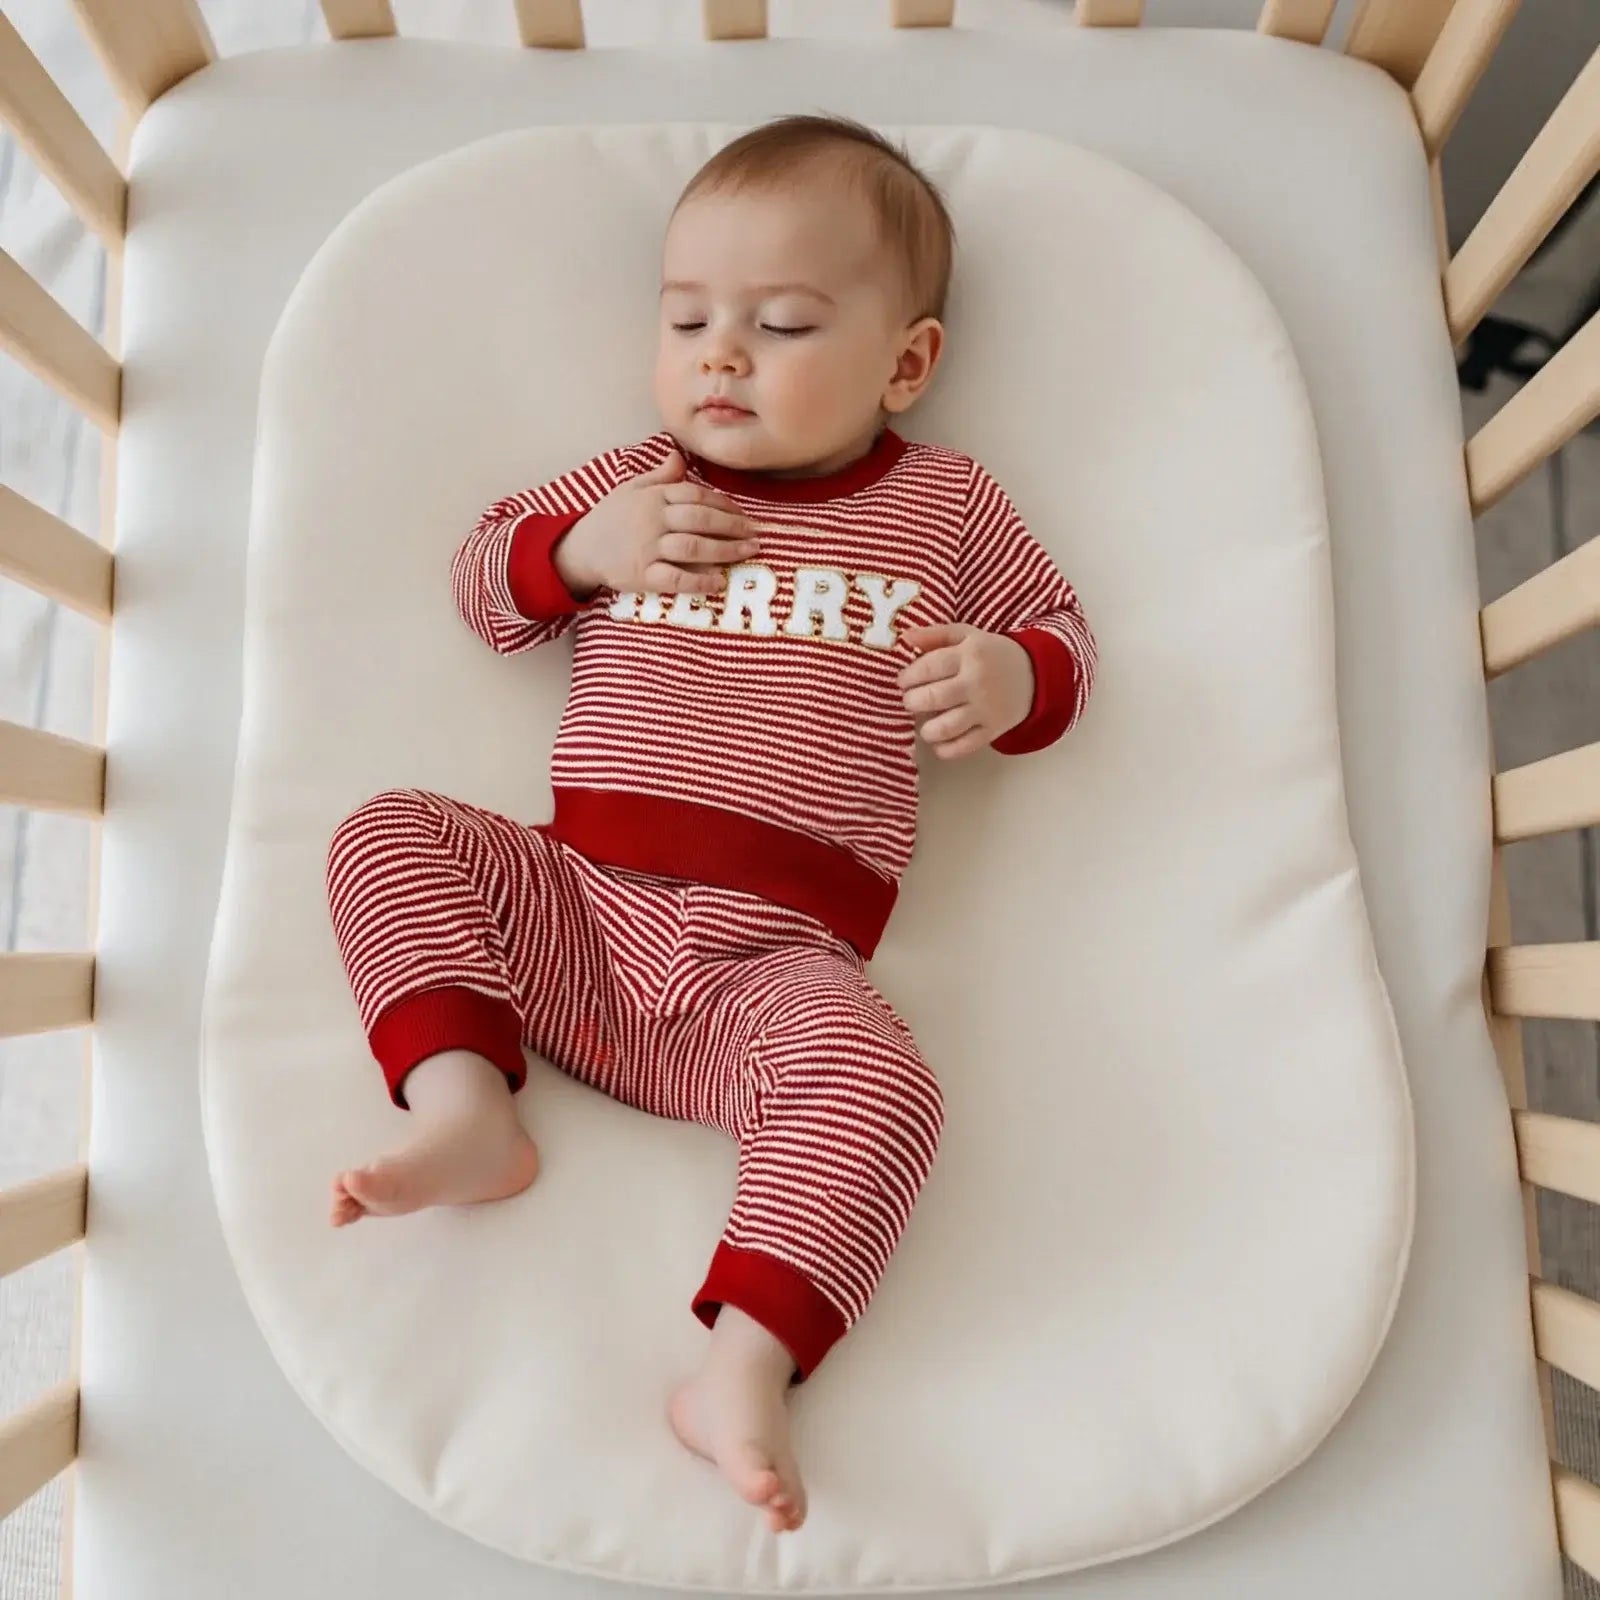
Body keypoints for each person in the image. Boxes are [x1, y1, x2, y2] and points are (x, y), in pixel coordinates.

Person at [324, 114, 1097, 1535]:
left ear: (906, 363)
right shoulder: (643, 485)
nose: (720, 356)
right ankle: (466, 1109)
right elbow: (483, 581)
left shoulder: (947, 506)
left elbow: (1063, 637)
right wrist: (580, 551)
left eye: (782, 324)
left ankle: (743, 1366)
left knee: (885, 1084)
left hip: (772, 971)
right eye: (686, 320)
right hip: (576, 908)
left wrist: (1013, 677)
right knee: (391, 832)